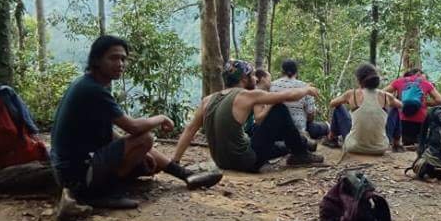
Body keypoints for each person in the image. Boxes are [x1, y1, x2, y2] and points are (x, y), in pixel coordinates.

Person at [50, 36, 215, 221]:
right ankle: (103, 193)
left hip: (70, 170)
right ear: (96, 60)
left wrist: (140, 153)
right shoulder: (92, 90)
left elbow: (114, 133)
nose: (120, 63)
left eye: (123, 59)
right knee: (145, 139)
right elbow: (134, 127)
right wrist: (161, 118)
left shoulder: (89, 84)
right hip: (76, 175)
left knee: (145, 161)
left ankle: (184, 174)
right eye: (113, 58)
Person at [172, 60, 325, 172]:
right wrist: (306, 89)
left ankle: (302, 144)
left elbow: (190, 130)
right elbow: (288, 95)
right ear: (244, 79)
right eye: (252, 75)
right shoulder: (246, 95)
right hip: (246, 162)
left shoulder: (207, 100)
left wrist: (175, 161)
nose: (256, 78)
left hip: (221, 162)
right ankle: (300, 153)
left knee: (279, 147)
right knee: (279, 109)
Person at [327, 64, 402, 155]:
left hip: (354, 146)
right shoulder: (386, 96)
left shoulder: (352, 94)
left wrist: (349, 102)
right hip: (381, 148)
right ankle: (397, 144)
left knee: (339, 107)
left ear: (359, 80)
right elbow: (401, 105)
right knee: (395, 109)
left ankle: (332, 138)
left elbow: (332, 103)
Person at [270, 60, 330, 141]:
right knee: (319, 126)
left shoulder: (272, 85)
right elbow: (310, 116)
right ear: (296, 72)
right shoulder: (306, 88)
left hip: (276, 129)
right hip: (299, 129)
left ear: (282, 71)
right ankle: (328, 128)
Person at [385, 68, 441, 148]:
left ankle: (401, 144)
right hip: (421, 122)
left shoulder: (399, 81)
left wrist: (395, 102)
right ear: (418, 74)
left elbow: (382, 93)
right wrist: (426, 103)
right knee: (419, 144)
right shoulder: (425, 83)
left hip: (403, 121)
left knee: (406, 142)